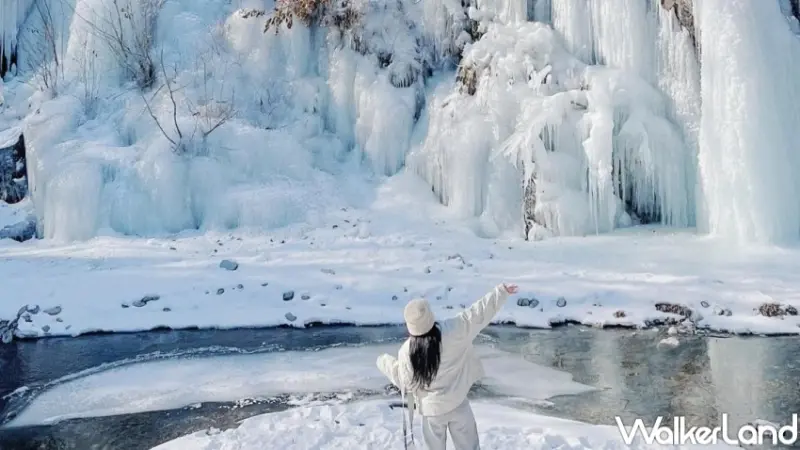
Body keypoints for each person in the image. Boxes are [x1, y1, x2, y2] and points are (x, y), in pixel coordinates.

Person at [376, 283, 519, 450]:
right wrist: (501, 292)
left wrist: (383, 361)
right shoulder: (454, 330)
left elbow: (404, 380)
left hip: (432, 412)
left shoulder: (407, 352)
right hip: (458, 403)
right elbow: (478, 313)